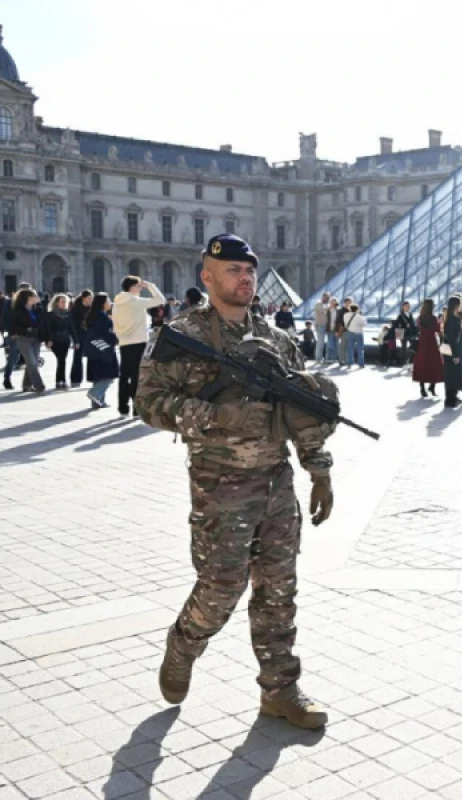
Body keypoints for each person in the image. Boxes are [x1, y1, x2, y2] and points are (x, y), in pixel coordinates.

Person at [136, 233, 336, 728]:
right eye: (232, 271)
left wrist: (319, 470)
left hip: (276, 483)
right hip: (219, 486)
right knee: (221, 587)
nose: (244, 278)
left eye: (249, 270)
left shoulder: (277, 339)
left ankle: (280, 689)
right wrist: (214, 416)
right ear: (207, 277)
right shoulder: (182, 335)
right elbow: (147, 405)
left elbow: (301, 411)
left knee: (277, 589)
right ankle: (183, 644)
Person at [112, 275, 166, 417]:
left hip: (124, 342)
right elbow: (161, 300)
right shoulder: (135, 301)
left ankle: (122, 407)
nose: (140, 288)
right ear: (132, 287)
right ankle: (137, 408)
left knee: (124, 376)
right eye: (138, 286)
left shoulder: (117, 302)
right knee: (137, 376)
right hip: (139, 342)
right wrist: (150, 286)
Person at [83, 293, 118, 409]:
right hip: (103, 349)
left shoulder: (95, 315)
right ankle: (95, 394)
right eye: (108, 301)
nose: (110, 303)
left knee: (99, 376)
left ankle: (98, 401)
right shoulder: (101, 317)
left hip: (95, 350)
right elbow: (103, 334)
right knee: (109, 376)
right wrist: (114, 337)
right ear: (102, 303)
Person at [9, 288, 47, 393]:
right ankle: (39, 385)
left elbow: (43, 322)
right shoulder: (17, 309)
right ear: (28, 298)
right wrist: (26, 330)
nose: (37, 298)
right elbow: (13, 325)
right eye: (34, 296)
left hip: (36, 338)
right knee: (32, 362)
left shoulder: (37, 309)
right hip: (24, 338)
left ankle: (26, 385)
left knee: (32, 362)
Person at [413, 299, 444, 398]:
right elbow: (438, 329)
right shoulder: (434, 319)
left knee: (422, 365)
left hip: (422, 343)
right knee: (435, 364)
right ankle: (432, 386)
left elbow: (417, 328)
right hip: (432, 343)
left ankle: (422, 388)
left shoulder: (419, 318)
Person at [47, 294, 74, 390]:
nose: (64, 304)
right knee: (61, 360)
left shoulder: (68, 314)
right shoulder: (51, 314)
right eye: (62, 301)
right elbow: (48, 329)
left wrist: (76, 341)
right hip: (55, 341)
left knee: (62, 360)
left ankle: (60, 381)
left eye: (65, 302)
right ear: (57, 303)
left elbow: (72, 329)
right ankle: (61, 381)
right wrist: (49, 340)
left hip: (65, 340)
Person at [69, 290, 93, 387]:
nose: (91, 300)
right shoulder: (75, 309)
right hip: (79, 336)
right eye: (89, 298)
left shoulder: (91, 309)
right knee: (77, 358)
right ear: (84, 298)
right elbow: (72, 325)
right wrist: (75, 340)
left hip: (90, 336)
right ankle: (75, 379)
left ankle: (93, 378)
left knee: (93, 357)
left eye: (91, 298)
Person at [343, 302, 366, 368]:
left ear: (349, 308)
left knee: (350, 349)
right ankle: (361, 363)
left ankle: (349, 363)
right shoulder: (359, 316)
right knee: (360, 349)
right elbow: (364, 324)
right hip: (358, 333)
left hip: (349, 333)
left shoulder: (345, 315)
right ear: (357, 309)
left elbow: (345, 324)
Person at [393, 301, 416, 367]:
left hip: (410, 333)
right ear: (403, 307)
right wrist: (403, 326)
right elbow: (397, 324)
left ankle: (410, 360)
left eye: (409, 306)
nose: (408, 307)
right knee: (403, 347)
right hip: (402, 333)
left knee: (413, 345)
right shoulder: (400, 315)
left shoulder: (410, 314)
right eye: (406, 306)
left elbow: (412, 323)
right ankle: (403, 362)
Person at [313, 293, 331, 362]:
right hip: (320, 325)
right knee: (320, 343)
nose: (327, 299)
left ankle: (323, 357)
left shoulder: (326, 305)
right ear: (322, 297)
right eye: (326, 298)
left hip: (325, 325)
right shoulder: (318, 304)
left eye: (328, 298)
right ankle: (318, 358)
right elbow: (322, 310)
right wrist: (330, 307)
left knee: (324, 343)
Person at [335, 297, 352, 366]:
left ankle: (344, 359)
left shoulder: (350, 310)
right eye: (350, 302)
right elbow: (337, 321)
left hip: (348, 330)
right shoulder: (341, 310)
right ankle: (341, 360)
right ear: (346, 302)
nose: (351, 303)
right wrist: (336, 331)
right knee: (342, 346)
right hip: (343, 330)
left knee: (346, 346)